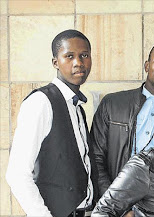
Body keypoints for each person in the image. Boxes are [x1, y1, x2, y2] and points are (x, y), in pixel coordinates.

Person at [5, 29, 98, 217]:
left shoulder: (77, 106)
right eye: (69, 56)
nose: (78, 63)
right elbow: (17, 174)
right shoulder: (40, 102)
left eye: (84, 55)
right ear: (56, 62)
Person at [90, 40, 154, 197]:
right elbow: (96, 157)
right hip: (117, 200)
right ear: (147, 65)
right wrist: (112, 203)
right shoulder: (113, 104)